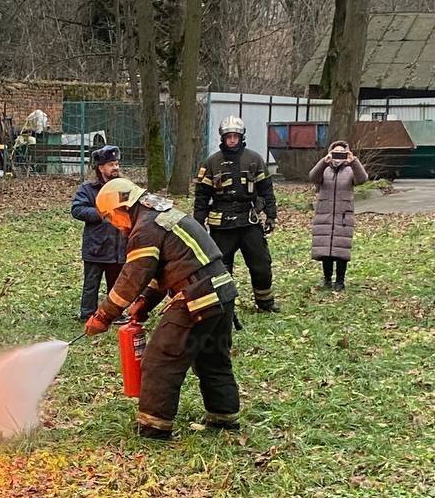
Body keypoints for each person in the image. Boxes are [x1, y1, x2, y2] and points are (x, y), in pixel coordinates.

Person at [84, 177, 240, 439]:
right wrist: (145, 303)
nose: (114, 225)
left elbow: (132, 278)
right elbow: (165, 268)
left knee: (160, 361)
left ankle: (153, 427)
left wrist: (102, 316)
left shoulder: (145, 229)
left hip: (196, 298)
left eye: (111, 218)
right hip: (222, 292)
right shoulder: (160, 214)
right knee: (212, 358)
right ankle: (224, 419)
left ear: (122, 207)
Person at [194, 116, 279, 312]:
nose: (232, 140)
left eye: (235, 136)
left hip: (249, 222)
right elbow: (201, 197)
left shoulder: (254, 159)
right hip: (222, 225)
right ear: (222, 138)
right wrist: (199, 224)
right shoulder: (211, 163)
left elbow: (266, 190)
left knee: (261, 264)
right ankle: (224, 307)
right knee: (221, 269)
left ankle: (265, 303)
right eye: (228, 136)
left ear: (241, 137)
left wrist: (271, 216)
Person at [70, 144, 128, 321]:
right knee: (91, 284)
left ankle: (115, 313)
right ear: (101, 168)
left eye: (117, 163)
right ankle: (87, 314)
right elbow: (77, 210)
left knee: (116, 284)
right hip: (96, 246)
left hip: (119, 246)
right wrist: (102, 212)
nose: (115, 167)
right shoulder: (88, 189)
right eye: (111, 164)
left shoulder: (124, 187)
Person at [308, 140, 369, 291]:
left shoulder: (350, 171)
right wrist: (323, 162)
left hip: (343, 217)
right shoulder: (325, 170)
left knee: (341, 250)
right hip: (324, 215)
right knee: (325, 250)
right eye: (336, 153)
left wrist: (353, 161)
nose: (338, 156)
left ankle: (340, 281)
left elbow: (362, 179)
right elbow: (313, 177)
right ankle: (327, 279)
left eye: (342, 153)